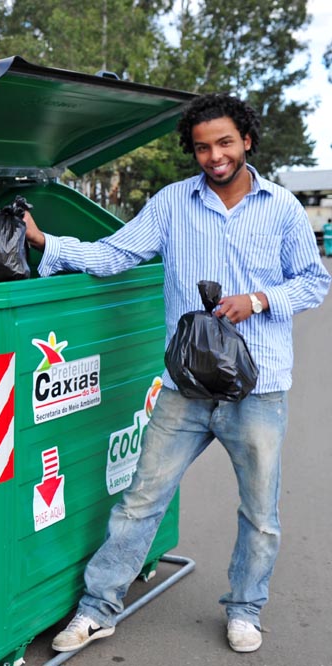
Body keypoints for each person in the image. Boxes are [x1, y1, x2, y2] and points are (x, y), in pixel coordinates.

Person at [23, 93, 330, 655]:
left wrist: (258, 299)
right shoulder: (172, 204)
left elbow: (314, 281)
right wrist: (48, 244)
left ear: (247, 142)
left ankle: (244, 610)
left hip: (258, 389)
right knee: (141, 500)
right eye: (202, 147)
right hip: (185, 388)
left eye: (224, 143)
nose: (214, 156)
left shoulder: (283, 208)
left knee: (260, 514)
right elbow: (117, 253)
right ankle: (99, 609)